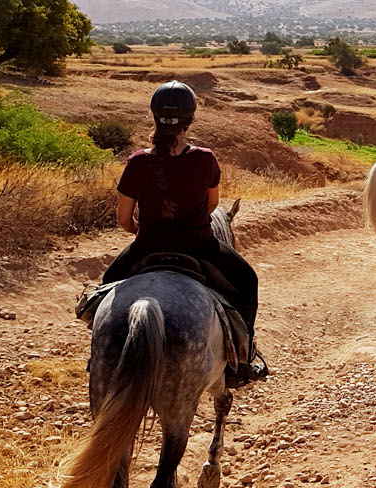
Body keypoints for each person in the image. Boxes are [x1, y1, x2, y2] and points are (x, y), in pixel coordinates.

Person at [100, 80, 267, 384]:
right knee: (247, 283)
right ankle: (242, 360)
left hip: (147, 247)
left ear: (155, 117)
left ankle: (100, 359)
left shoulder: (137, 162)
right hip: (200, 247)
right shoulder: (205, 159)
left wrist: (140, 229)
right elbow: (212, 205)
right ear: (189, 120)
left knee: (105, 289)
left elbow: (124, 219)